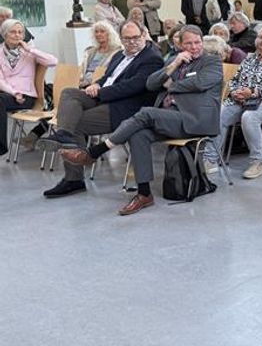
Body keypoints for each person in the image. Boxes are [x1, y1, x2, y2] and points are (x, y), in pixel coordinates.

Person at [61, 26, 222, 215]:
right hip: (170, 117)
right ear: (180, 44)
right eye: (188, 43)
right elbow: (151, 83)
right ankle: (144, 193)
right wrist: (173, 65)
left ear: (202, 42)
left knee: (146, 113)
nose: (193, 47)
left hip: (194, 120)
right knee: (138, 134)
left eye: (197, 42)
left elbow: (199, 83)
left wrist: (170, 84)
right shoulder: (174, 60)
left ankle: (95, 152)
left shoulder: (212, 62)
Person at [41, 22, 163, 198]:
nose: (132, 42)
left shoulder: (152, 58)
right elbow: (108, 77)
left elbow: (133, 87)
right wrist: (96, 84)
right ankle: (64, 135)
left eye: (136, 37)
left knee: (75, 122)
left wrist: (100, 92)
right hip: (104, 98)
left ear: (144, 35)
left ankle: (73, 179)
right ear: (121, 39)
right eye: (127, 39)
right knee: (69, 93)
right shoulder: (120, 55)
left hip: (125, 107)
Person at [204, 25, 262, 179]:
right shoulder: (249, 59)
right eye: (261, 37)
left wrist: (254, 92)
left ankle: (258, 162)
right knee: (220, 112)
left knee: (249, 117)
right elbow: (234, 80)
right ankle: (211, 159)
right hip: (244, 100)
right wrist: (234, 92)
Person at [0, 19, 59, 157]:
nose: (17, 35)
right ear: (4, 34)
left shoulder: (29, 52)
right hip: (9, 94)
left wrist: (30, 49)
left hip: (27, 97)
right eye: (13, 32)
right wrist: (14, 92)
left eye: (20, 32)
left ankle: (1, 147)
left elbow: (53, 62)